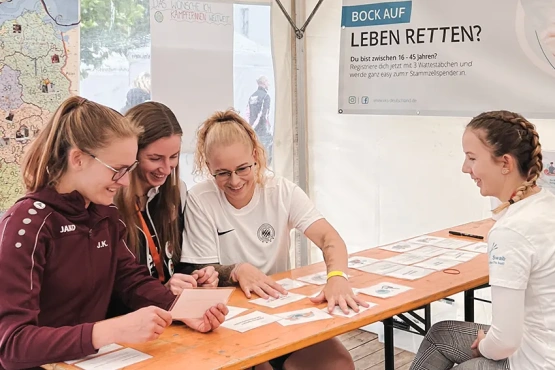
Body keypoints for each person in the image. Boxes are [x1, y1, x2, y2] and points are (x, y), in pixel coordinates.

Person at [0, 96, 227, 369]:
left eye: (129, 169)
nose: (126, 182)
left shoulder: (103, 216)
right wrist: (109, 331)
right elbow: (11, 343)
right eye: (117, 170)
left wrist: (181, 310)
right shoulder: (27, 223)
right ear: (78, 159)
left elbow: (132, 282)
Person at [180, 109, 367, 370]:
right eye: (222, 173)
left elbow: (329, 238)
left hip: (280, 310)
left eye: (242, 168)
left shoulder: (281, 191)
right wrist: (236, 270)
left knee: (338, 364)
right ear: (208, 167)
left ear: (255, 156)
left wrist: (337, 277)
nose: (234, 181)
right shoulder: (201, 199)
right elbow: (200, 271)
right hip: (229, 319)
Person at [410, 110, 555, 370]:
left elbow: (506, 341)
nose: (465, 168)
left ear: (505, 164)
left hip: (537, 361)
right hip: (540, 340)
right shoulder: (546, 203)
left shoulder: (512, 230)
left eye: (472, 158)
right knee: (440, 335)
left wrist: (484, 344)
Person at [112, 101, 218, 316]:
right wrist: (162, 292)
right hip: (131, 321)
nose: (166, 168)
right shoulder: (109, 202)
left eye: (174, 157)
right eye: (155, 158)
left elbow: (175, 262)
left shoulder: (177, 192)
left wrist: (198, 276)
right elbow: (113, 289)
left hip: (172, 314)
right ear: (131, 153)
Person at [246, 76, 273, 165]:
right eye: (266, 81)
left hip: (252, 128)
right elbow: (264, 114)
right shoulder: (266, 96)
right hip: (262, 128)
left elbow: (248, 113)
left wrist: (250, 127)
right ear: (263, 83)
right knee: (267, 149)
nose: (268, 84)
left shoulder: (252, 96)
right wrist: (268, 127)